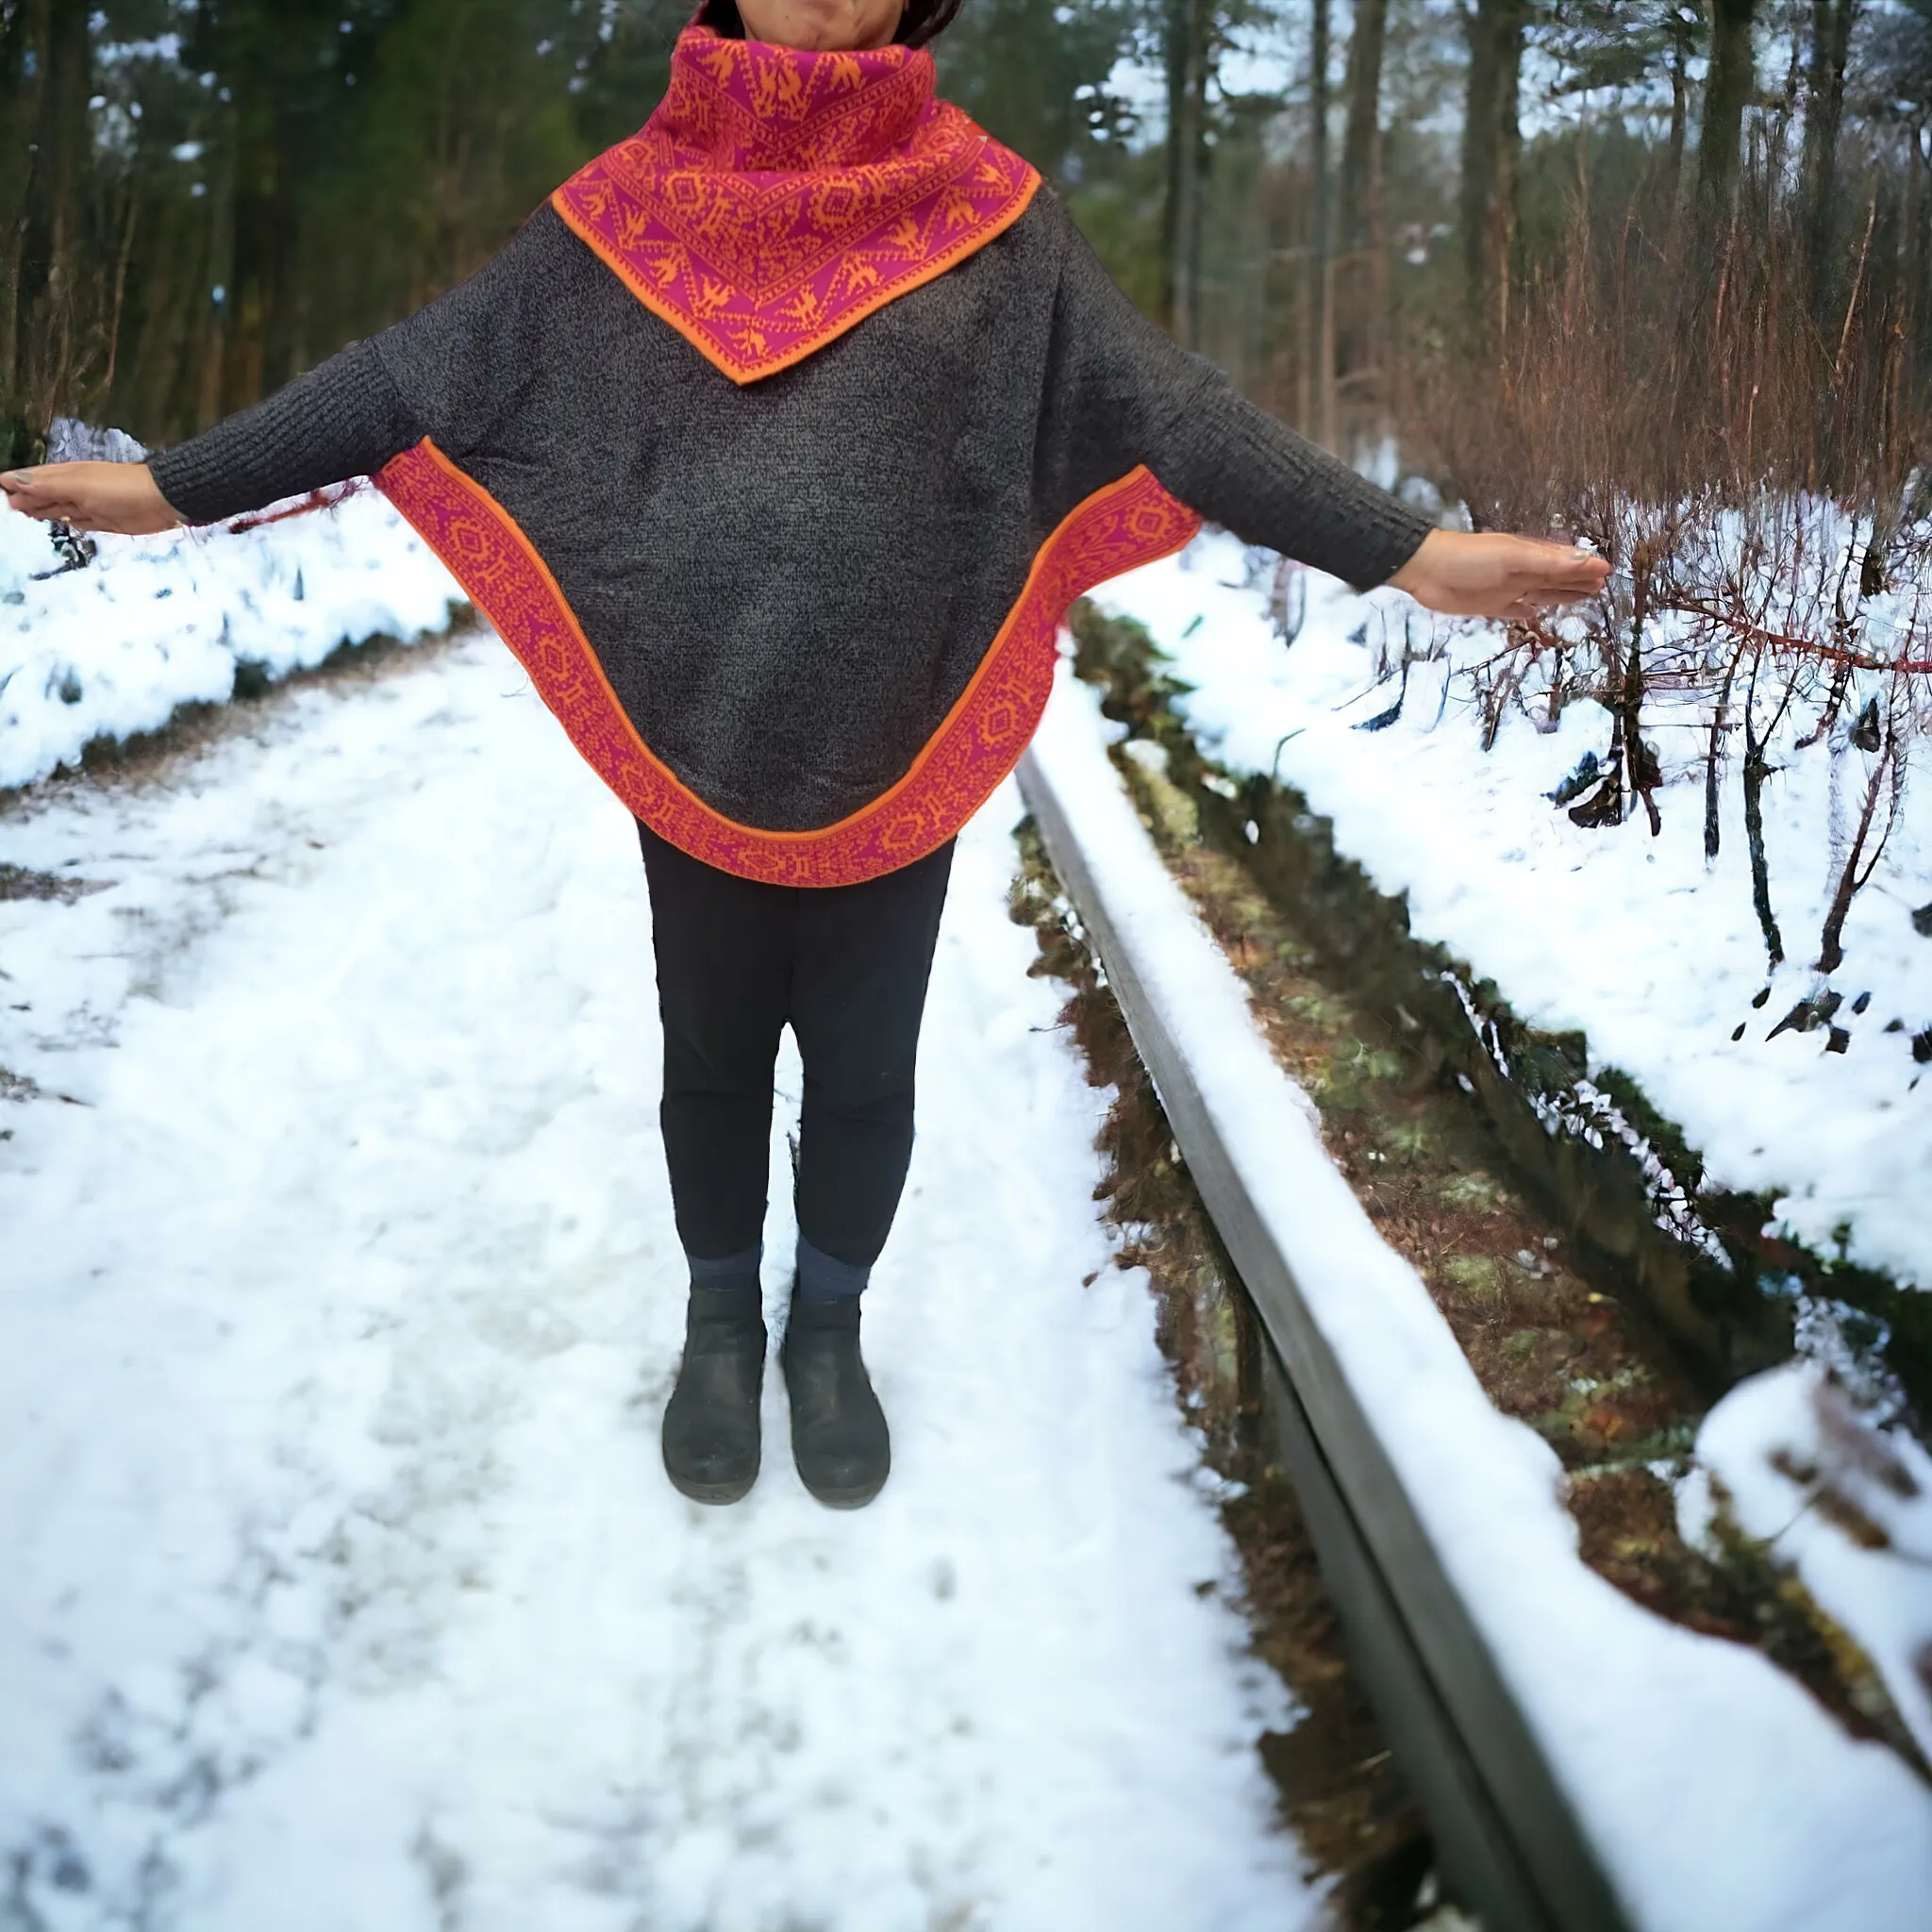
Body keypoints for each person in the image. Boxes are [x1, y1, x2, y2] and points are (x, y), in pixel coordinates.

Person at [0, 0, 1608, 1512]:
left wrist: (1406, 551)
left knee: (862, 1072)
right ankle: (719, 1325)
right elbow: (409, 378)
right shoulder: (616, 215)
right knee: (709, 1059)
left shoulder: (996, 215)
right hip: (687, 722)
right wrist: (179, 487)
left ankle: (823, 1329)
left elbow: (1174, 413)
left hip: (901, 727)